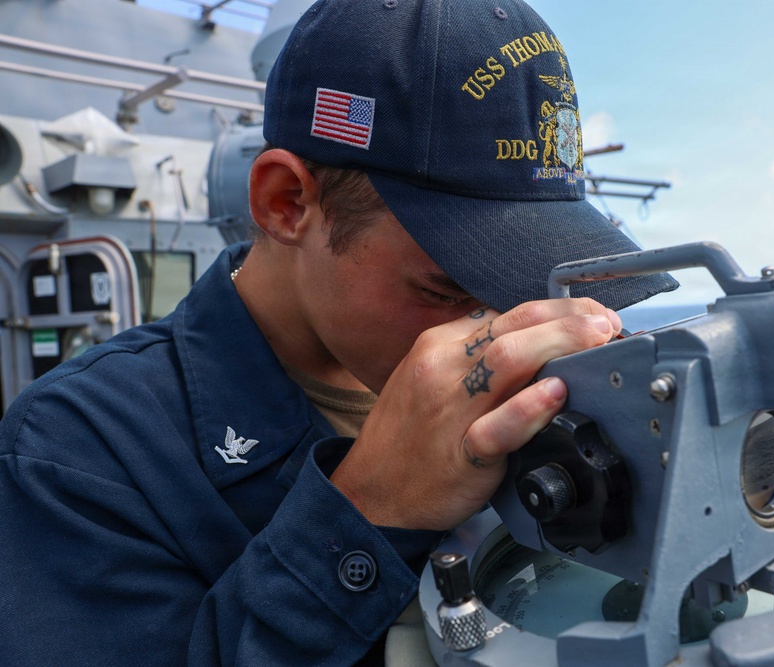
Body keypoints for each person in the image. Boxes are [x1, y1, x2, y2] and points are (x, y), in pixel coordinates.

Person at [0, 0, 675, 664]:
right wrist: (372, 505)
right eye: (445, 290)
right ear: (286, 203)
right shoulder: (77, 452)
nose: (497, 325)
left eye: (524, 284)